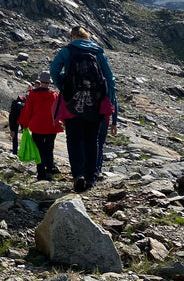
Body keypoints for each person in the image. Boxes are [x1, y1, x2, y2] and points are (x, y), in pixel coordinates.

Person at [50, 25, 117, 192]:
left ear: (73, 36)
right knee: (91, 140)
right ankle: (90, 177)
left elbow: (54, 70)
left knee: (73, 140)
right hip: (94, 104)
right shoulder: (98, 52)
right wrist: (109, 100)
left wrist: (63, 86)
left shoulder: (67, 51)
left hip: (72, 103)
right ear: (87, 36)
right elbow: (109, 79)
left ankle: (78, 174)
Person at [17, 71, 63, 180]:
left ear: (40, 81)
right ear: (49, 83)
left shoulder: (33, 94)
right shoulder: (54, 95)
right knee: (49, 148)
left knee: (39, 150)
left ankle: (41, 174)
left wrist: (25, 125)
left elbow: (28, 111)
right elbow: (58, 111)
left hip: (36, 127)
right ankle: (50, 171)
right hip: (51, 127)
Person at [7, 86, 31, 155]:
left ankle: (15, 151)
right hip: (23, 120)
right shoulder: (26, 104)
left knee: (14, 135)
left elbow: (11, 116)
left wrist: (12, 130)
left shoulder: (15, 103)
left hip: (15, 119)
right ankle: (26, 151)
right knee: (26, 135)